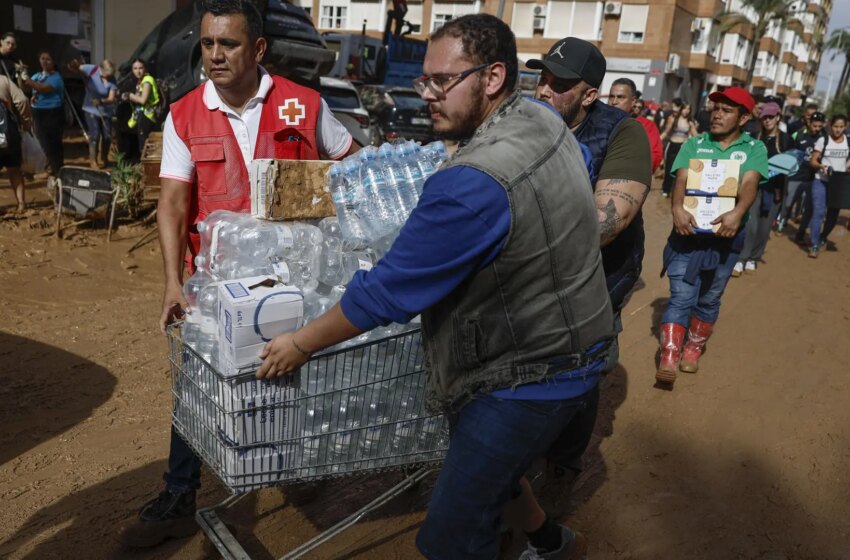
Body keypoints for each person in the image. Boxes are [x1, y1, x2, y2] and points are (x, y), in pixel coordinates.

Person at [256, 14, 613, 559]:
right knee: (498, 472)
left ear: (492, 78)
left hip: (527, 374)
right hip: (580, 343)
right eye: (424, 80)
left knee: (449, 537)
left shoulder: (471, 183)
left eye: (441, 82)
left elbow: (387, 293)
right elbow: (578, 167)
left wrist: (300, 343)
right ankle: (550, 542)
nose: (427, 94)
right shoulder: (543, 120)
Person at [120, 0, 355, 548]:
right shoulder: (184, 114)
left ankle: (303, 470)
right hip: (214, 282)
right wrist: (173, 282)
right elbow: (174, 204)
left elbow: (351, 164)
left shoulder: (305, 104)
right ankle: (181, 490)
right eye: (207, 44)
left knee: (297, 376)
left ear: (258, 49)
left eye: (228, 44)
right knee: (196, 383)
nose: (215, 55)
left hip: (295, 281)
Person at [528, 37, 651, 516]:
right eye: (541, 77)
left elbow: (607, 224)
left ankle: (561, 470)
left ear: (589, 95)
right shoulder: (522, 122)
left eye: (559, 84)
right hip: (524, 282)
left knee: (579, 377)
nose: (543, 90)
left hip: (595, 284)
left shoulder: (621, 133)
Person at [656, 87, 768, 386]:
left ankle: (693, 348)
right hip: (687, 235)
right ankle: (669, 355)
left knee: (709, 298)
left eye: (726, 110)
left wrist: (739, 211)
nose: (716, 114)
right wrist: (677, 207)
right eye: (715, 108)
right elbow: (681, 179)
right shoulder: (694, 144)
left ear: (743, 118)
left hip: (727, 239)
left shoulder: (754, 149)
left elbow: (750, 181)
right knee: (681, 296)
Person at [732, 101, 792, 276]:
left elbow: (792, 164)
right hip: (753, 187)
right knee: (750, 224)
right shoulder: (753, 137)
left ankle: (753, 257)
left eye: (771, 117)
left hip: (775, 190)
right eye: (765, 117)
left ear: (778, 117)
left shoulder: (786, 140)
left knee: (765, 227)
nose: (767, 121)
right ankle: (741, 258)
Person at [802, 114, 849, 258]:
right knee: (819, 212)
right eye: (835, 126)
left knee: (832, 217)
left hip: (838, 183)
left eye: (841, 127)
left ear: (846, 126)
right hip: (821, 181)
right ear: (830, 125)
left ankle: (823, 237)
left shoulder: (848, 141)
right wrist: (822, 166)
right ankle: (814, 244)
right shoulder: (824, 140)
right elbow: (813, 161)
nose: (838, 130)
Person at [778, 111, 824, 233]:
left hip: (812, 177)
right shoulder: (797, 135)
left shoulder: (823, 138)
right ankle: (782, 222)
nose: (817, 129)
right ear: (809, 123)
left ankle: (801, 232)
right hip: (796, 175)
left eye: (820, 126)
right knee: (788, 203)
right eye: (815, 126)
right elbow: (788, 151)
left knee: (807, 207)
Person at [68, 58, 118, 168]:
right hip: (90, 109)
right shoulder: (92, 69)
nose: (107, 77)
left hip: (106, 110)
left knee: (107, 136)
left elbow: (111, 98)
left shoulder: (112, 80)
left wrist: (101, 101)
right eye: (106, 74)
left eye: (110, 75)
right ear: (101, 69)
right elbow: (75, 68)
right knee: (95, 134)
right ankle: (93, 160)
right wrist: (74, 65)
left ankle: (104, 157)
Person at [22, 51, 65, 177]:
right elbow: (26, 88)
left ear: (53, 62)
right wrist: (21, 76)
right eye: (42, 58)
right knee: (41, 141)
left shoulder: (56, 77)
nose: (45, 61)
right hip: (38, 112)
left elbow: (42, 89)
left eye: (48, 59)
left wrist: (27, 79)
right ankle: (46, 167)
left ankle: (57, 169)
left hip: (52, 113)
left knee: (53, 142)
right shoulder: (38, 75)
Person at [608, 77, 662, 172]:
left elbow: (654, 157)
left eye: (620, 97)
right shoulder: (599, 121)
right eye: (611, 97)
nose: (614, 102)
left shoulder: (647, 126)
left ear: (633, 101)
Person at [0, 73, 32, 213]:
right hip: (9, 133)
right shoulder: (3, 80)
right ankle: (21, 204)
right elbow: (22, 100)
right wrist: (25, 122)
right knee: (14, 169)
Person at [120, 58, 160, 154]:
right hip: (145, 115)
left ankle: (146, 167)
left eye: (140, 68)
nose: (138, 71)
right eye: (135, 68)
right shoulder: (141, 80)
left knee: (145, 145)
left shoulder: (147, 81)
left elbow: (143, 100)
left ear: (145, 68)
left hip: (147, 116)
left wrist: (130, 95)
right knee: (143, 143)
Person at [660, 99, 698, 197]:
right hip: (672, 145)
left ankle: (677, 191)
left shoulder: (690, 122)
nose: (687, 111)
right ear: (681, 109)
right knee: (669, 169)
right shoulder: (673, 119)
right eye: (685, 108)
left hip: (683, 148)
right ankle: (666, 190)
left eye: (689, 109)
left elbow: (695, 136)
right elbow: (666, 132)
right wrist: (657, 141)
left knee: (681, 170)